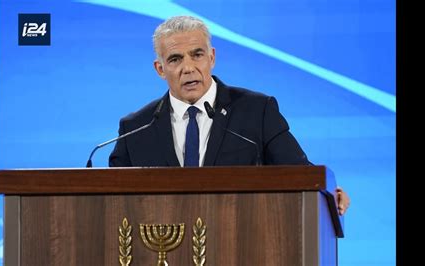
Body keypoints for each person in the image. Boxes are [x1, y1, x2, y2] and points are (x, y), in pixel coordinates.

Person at [108, 15, 350, 215]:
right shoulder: (136, 129)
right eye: (175, 59)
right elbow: (113, 203)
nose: (188, 67)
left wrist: (329, 194)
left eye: (197, 54)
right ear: (160, 69)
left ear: (212, 57)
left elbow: (301, 174)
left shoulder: (257, 111)